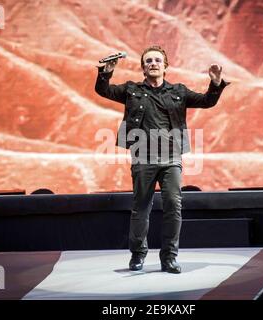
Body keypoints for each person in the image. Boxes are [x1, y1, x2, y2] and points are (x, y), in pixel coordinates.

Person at [95, 45, 229, 273]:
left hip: (171, 158)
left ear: (165, 66)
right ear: (143, 68)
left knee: (173, 206)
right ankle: (138, 255)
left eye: (157, 60)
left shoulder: (178, 91)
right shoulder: (131, 90)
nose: (153, 63)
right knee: (141, 208)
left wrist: (215, 84)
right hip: (143, 157)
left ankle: (169, 258)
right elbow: (103, 90)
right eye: (148, 61)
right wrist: (105, 73)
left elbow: (207, 101)